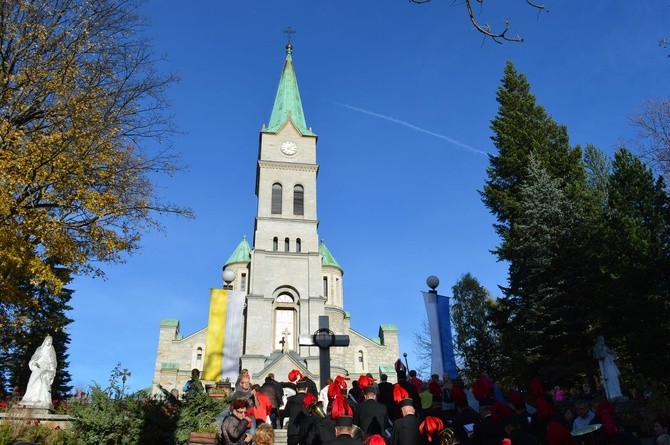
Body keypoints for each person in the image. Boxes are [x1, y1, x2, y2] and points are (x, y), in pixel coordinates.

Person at [21, 336, 57, 406]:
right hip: (38, 366)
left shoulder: (52, 351)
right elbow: (34, 357)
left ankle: (40, 398)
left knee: (43, 381)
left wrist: (52, 369)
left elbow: (54, 361)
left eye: (51, 341)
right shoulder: (39, 349)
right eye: (48, 340)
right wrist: (33, 362)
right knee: (32, 380)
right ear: (45, 341)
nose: (49, 342)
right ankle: (28, 397)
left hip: (46, 367)